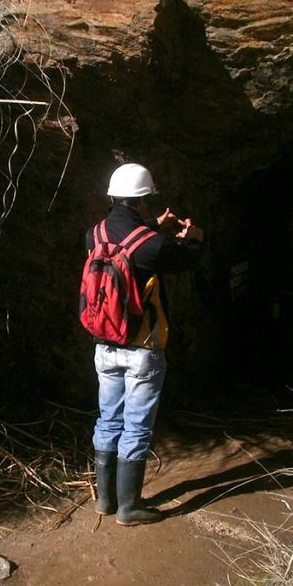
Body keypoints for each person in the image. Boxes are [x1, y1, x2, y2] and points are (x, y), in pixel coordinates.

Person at [86, 163, 204, 526]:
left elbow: (127, 243)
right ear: (143, 200)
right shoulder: (152, 245)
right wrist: (195, 236)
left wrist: (155, 225)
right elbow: (185, 258)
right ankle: (129, 507)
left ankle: (105, 501)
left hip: (104, 344)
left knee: (108, 420)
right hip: (141, 348)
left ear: (112, 196)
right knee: (136, 427)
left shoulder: (94, 234)